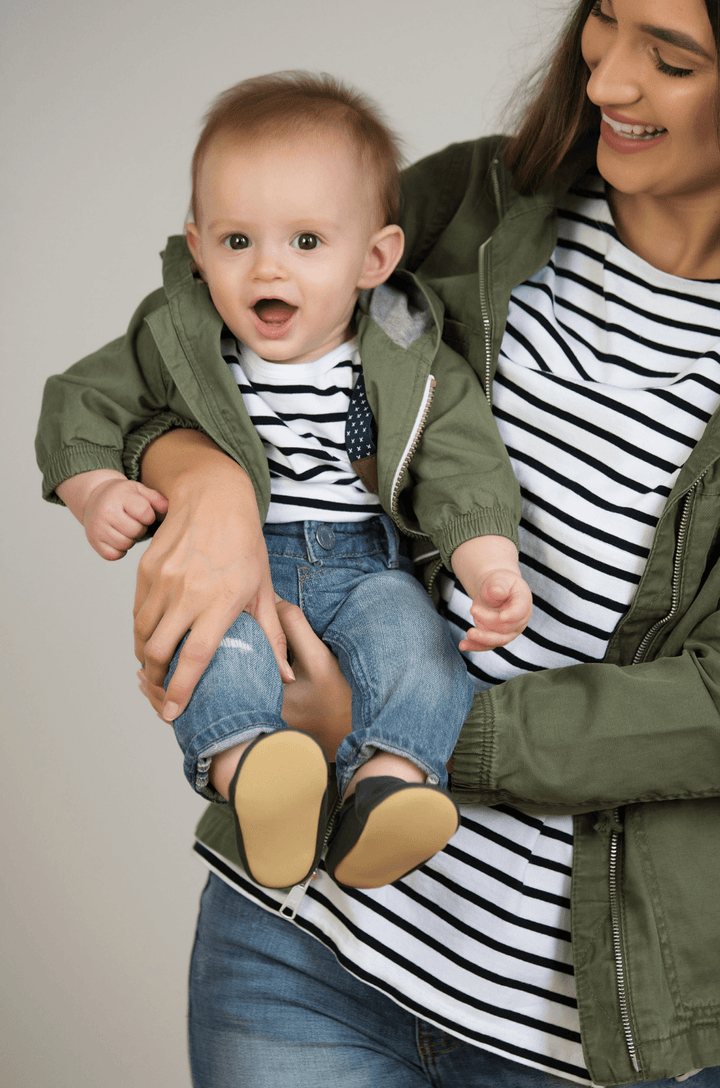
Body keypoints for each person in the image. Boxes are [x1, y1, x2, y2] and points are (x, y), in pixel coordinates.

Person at [42, 0, 720, 1083]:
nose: (606, 83)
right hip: (297, 950)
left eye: (673, 58)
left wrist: (403, 724)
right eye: (604, 20)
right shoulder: (483, 202)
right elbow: (220, 311)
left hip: (582, 1035)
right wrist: (198, 474)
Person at [36, 72, 533, 891]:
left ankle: (390, 788)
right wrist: (94, 490)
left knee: (421, 647)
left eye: (306, 242)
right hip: (243, 568)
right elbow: (81, 398)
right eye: (238, 243)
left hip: (367, 567)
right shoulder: (178, 340)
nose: (269, 267)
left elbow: (463, 461)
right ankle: (254, 771)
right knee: (213, 652)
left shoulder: (408, 358)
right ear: (198, 248)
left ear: (373, 258)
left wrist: (488, 567)